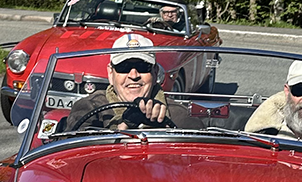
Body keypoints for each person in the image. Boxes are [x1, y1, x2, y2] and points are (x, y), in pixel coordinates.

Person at [65, 33, 203, 130]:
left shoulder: (180, 115)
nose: (133, 75)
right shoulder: (89, 109)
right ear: (110, 73)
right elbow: (71, 153)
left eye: (142, 67)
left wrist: (164, 129)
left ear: (155, 72)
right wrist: (124, 125)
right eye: (124, 67)